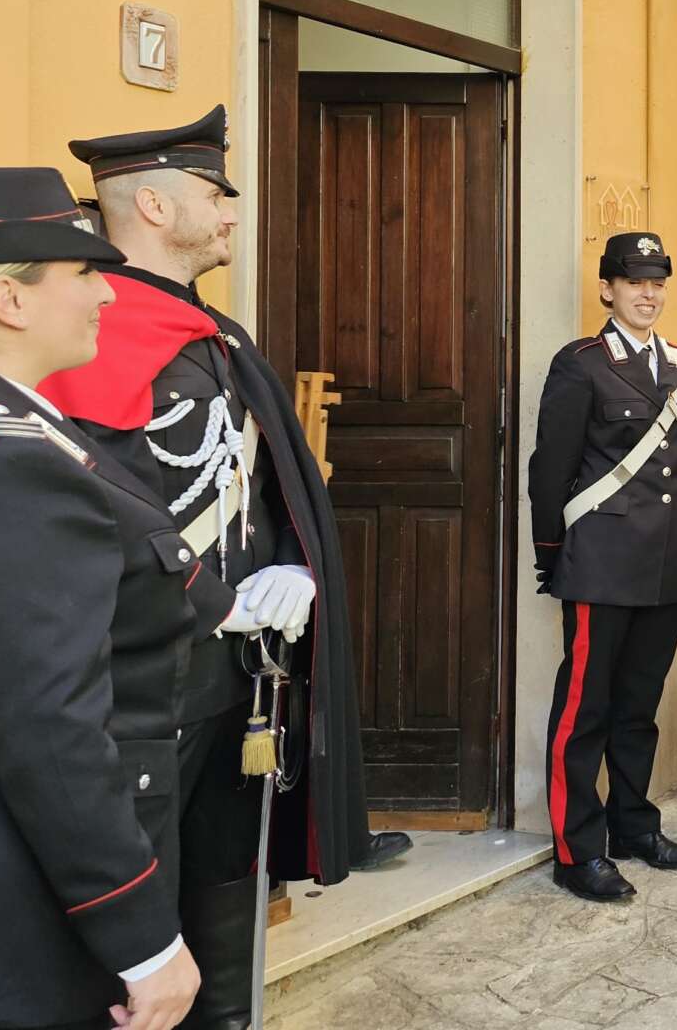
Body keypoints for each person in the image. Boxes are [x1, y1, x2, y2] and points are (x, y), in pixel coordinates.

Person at [38, 106, 404, 1025]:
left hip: (237, 681)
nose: (231, 213)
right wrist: (212, 597)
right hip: (144, 687)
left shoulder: (213, 333)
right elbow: (93, 513)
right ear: (154, 204)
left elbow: (268, 479)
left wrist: (297, 566)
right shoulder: (88, 334)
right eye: (214, 193)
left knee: (227, 905)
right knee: (134, 933)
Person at [0, 167, 248, 1030]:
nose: (107, 296)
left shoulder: (11, 420)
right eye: (82, 274)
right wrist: (143, 940)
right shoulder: (8, 461)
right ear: (9, 299)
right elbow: (50, 727)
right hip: (20, 881)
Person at [530, 230, 677, 901]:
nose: (648, 294)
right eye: (634, 282)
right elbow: (551, 471)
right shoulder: (582, 364)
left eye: (657, 282)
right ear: (607, 289)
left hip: (661, 566)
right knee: (586, 711)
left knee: (638, 708)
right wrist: (552, 554)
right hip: (600, 563)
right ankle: (577, 850)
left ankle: (635, 826)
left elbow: (676, 471)